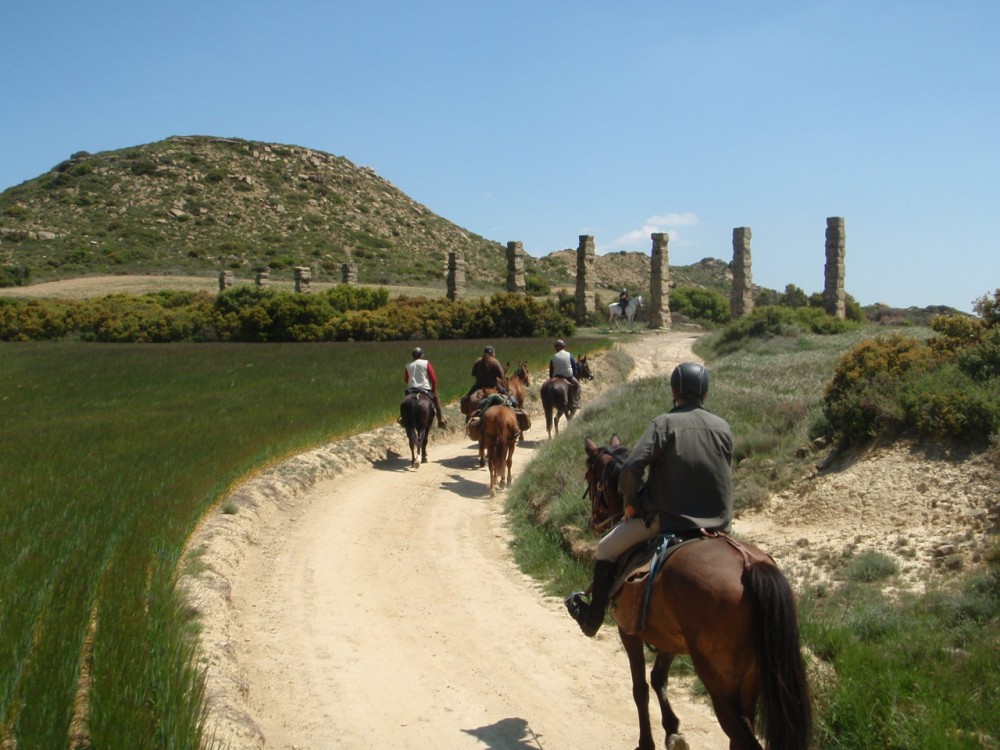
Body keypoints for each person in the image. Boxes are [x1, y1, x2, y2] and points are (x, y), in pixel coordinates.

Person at [565, 361, 734, 637]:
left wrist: (631, 501)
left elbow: (631, 468)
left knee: (606, 548)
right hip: (719, 522)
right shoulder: (723, 426)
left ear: (673, 391)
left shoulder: (664, 424)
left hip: (668, 519)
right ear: (705, 393)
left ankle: (592, 619)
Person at [404, 347, 447, 428]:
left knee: (405, 400)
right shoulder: (426, 363)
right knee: (436, 399)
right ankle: (440, 419)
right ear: (422, 355)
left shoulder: (408, 365)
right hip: (425, 388)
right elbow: (433, 377)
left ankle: (402, 417)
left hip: (412, 389)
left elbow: (406, 379)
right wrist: (434, 389)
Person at [549, 339, 581, 410]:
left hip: (556, 377)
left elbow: (551, 371)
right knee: (577, 385)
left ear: (556, 347)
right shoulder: (570, 355)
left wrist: (551, 378)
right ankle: (574, 401)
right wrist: (574, 375)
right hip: (568, 376)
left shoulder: (553, 357)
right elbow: (574, 367)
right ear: (564, 346)